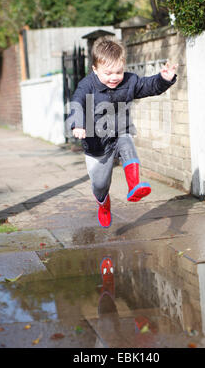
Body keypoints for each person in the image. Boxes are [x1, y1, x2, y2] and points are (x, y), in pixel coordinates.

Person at [67, 36, 178, 228]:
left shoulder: (129, 81)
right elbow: (77, 101)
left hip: (119, 131)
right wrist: (78, 124)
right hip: (96, 143)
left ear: (124, 66)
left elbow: (148, 85)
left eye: (118, 71)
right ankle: (103, 203)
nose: (114, 77)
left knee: (126, 142)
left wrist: (164, 79)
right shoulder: (88, 85)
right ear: (95, 69)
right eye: (107, 73)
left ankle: (134, 185)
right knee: (100, 184)